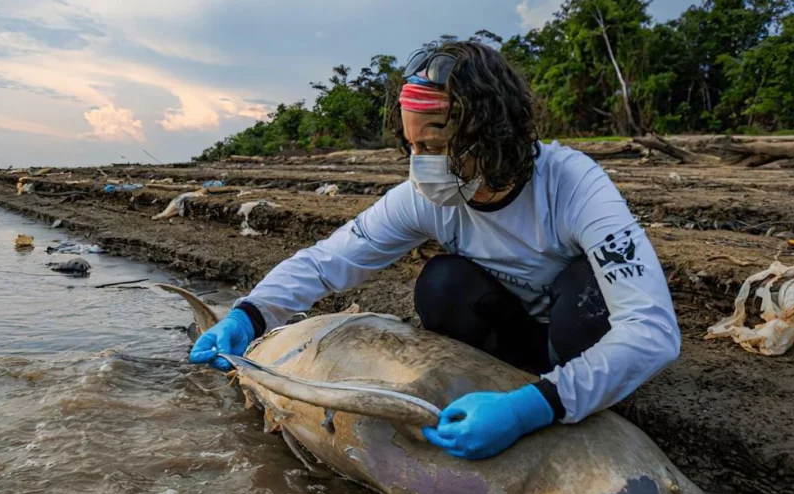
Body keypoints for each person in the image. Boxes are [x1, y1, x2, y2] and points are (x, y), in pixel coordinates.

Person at [189, 41, 681, 460]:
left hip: (571, 338)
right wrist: (250, 315)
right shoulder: (427, 198)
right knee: (442, 283)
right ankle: (499, 390)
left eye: (437, 145)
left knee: (587, 290)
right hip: (510, 337)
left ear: (493, 134)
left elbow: (652, 331)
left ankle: (559, 395)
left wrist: (534, 407)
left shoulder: (573, 186)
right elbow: (330, 260)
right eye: (412, 148)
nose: (422, 166)